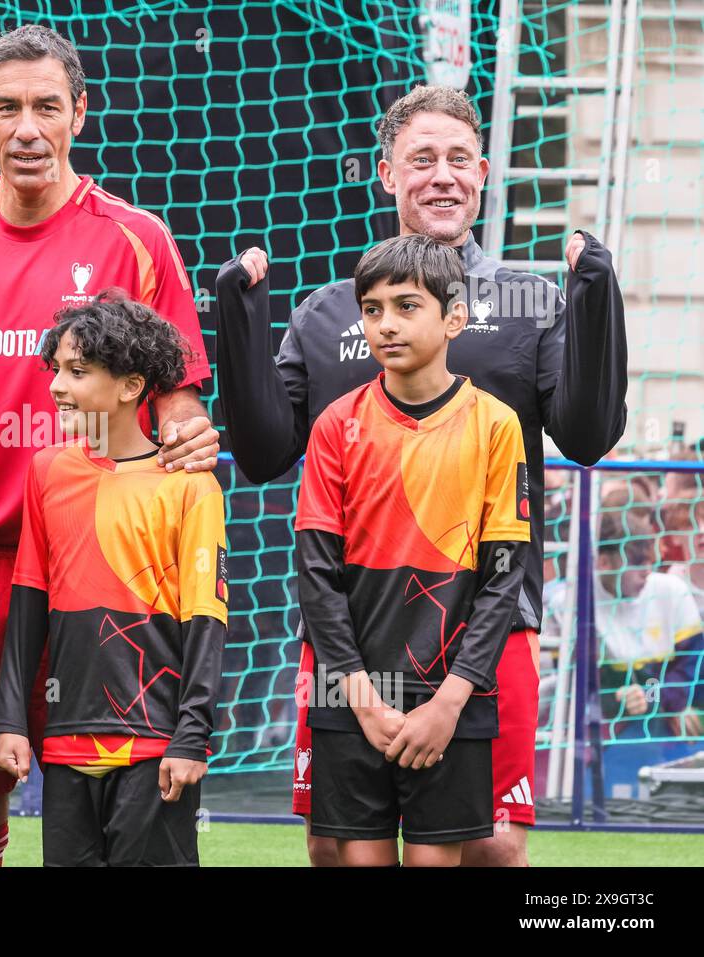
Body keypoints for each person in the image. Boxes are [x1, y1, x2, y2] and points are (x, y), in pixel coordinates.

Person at [216, 84, 627, 866]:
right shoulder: (331, 312)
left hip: (487, 624)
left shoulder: (528, 303)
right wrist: (241, 318)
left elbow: (587, 435)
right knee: (340, 847)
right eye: (422, 159)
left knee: (490, 847)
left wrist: (596, 299)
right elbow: (266, 451)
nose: (441, 175)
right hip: (351, 630)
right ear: (387, 174)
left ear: (483, 175)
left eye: (458, 160)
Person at [0, 24, 217, 866]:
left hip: (94, 578)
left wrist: (188, 429)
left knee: (112, 796)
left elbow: (175, 396)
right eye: (8, 109)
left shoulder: (137, 240)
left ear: (80, 115)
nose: (28, 128)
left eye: (47, 107)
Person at [295, 235, 530, 866]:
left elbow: (503, 579)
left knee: (436, 862)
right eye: (371, 309)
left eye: (406, 306)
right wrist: (360, 696)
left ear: (455, 317)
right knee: (350, 857)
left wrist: (450, 701)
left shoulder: (496, 425)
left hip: (450, 696)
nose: (386, 324)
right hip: (350, 692)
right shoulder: (335, 425)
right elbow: (317, 576)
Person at [0, 291, 227, 866]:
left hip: (156, 743)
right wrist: (10, 720)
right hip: (66, 741)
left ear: (130, 386)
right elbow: (28, 603)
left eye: (78, 371)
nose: (56, 386)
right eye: (55, 370)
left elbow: (206, 621)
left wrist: (192, 735)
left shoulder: (191, 486)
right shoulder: (47, 471)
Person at [589, 512, 704, 738]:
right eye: (636, 563)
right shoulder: (576, 603)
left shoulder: (671, 591)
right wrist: (617, 698)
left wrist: (654, 697)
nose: (647, 571)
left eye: (649, 561)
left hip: (674, 724)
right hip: (612, 733)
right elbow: (577, 690)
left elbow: (695, 669)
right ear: (603, 562)